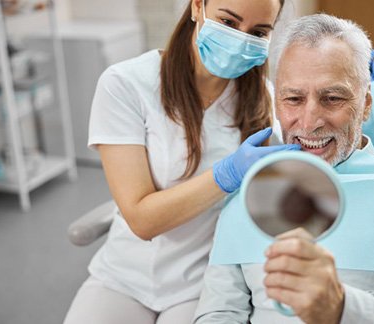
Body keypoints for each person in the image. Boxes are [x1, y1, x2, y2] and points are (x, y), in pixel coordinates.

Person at [193, 14, 374, 324]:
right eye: (293, 99)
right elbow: (217, 313)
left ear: (366, 104)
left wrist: (343, 308)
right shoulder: (247, 193)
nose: (309, 123)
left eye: (332, 98)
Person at [63, 0, 302, 323]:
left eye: (258, 32)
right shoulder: (126, 84)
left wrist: (363, 90)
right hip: (123, 276)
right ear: (197, 6)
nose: (241, 40)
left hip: (204, 283)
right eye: (229, 23)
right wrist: (226, 175)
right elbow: (142, 220)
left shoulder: (264, 100)